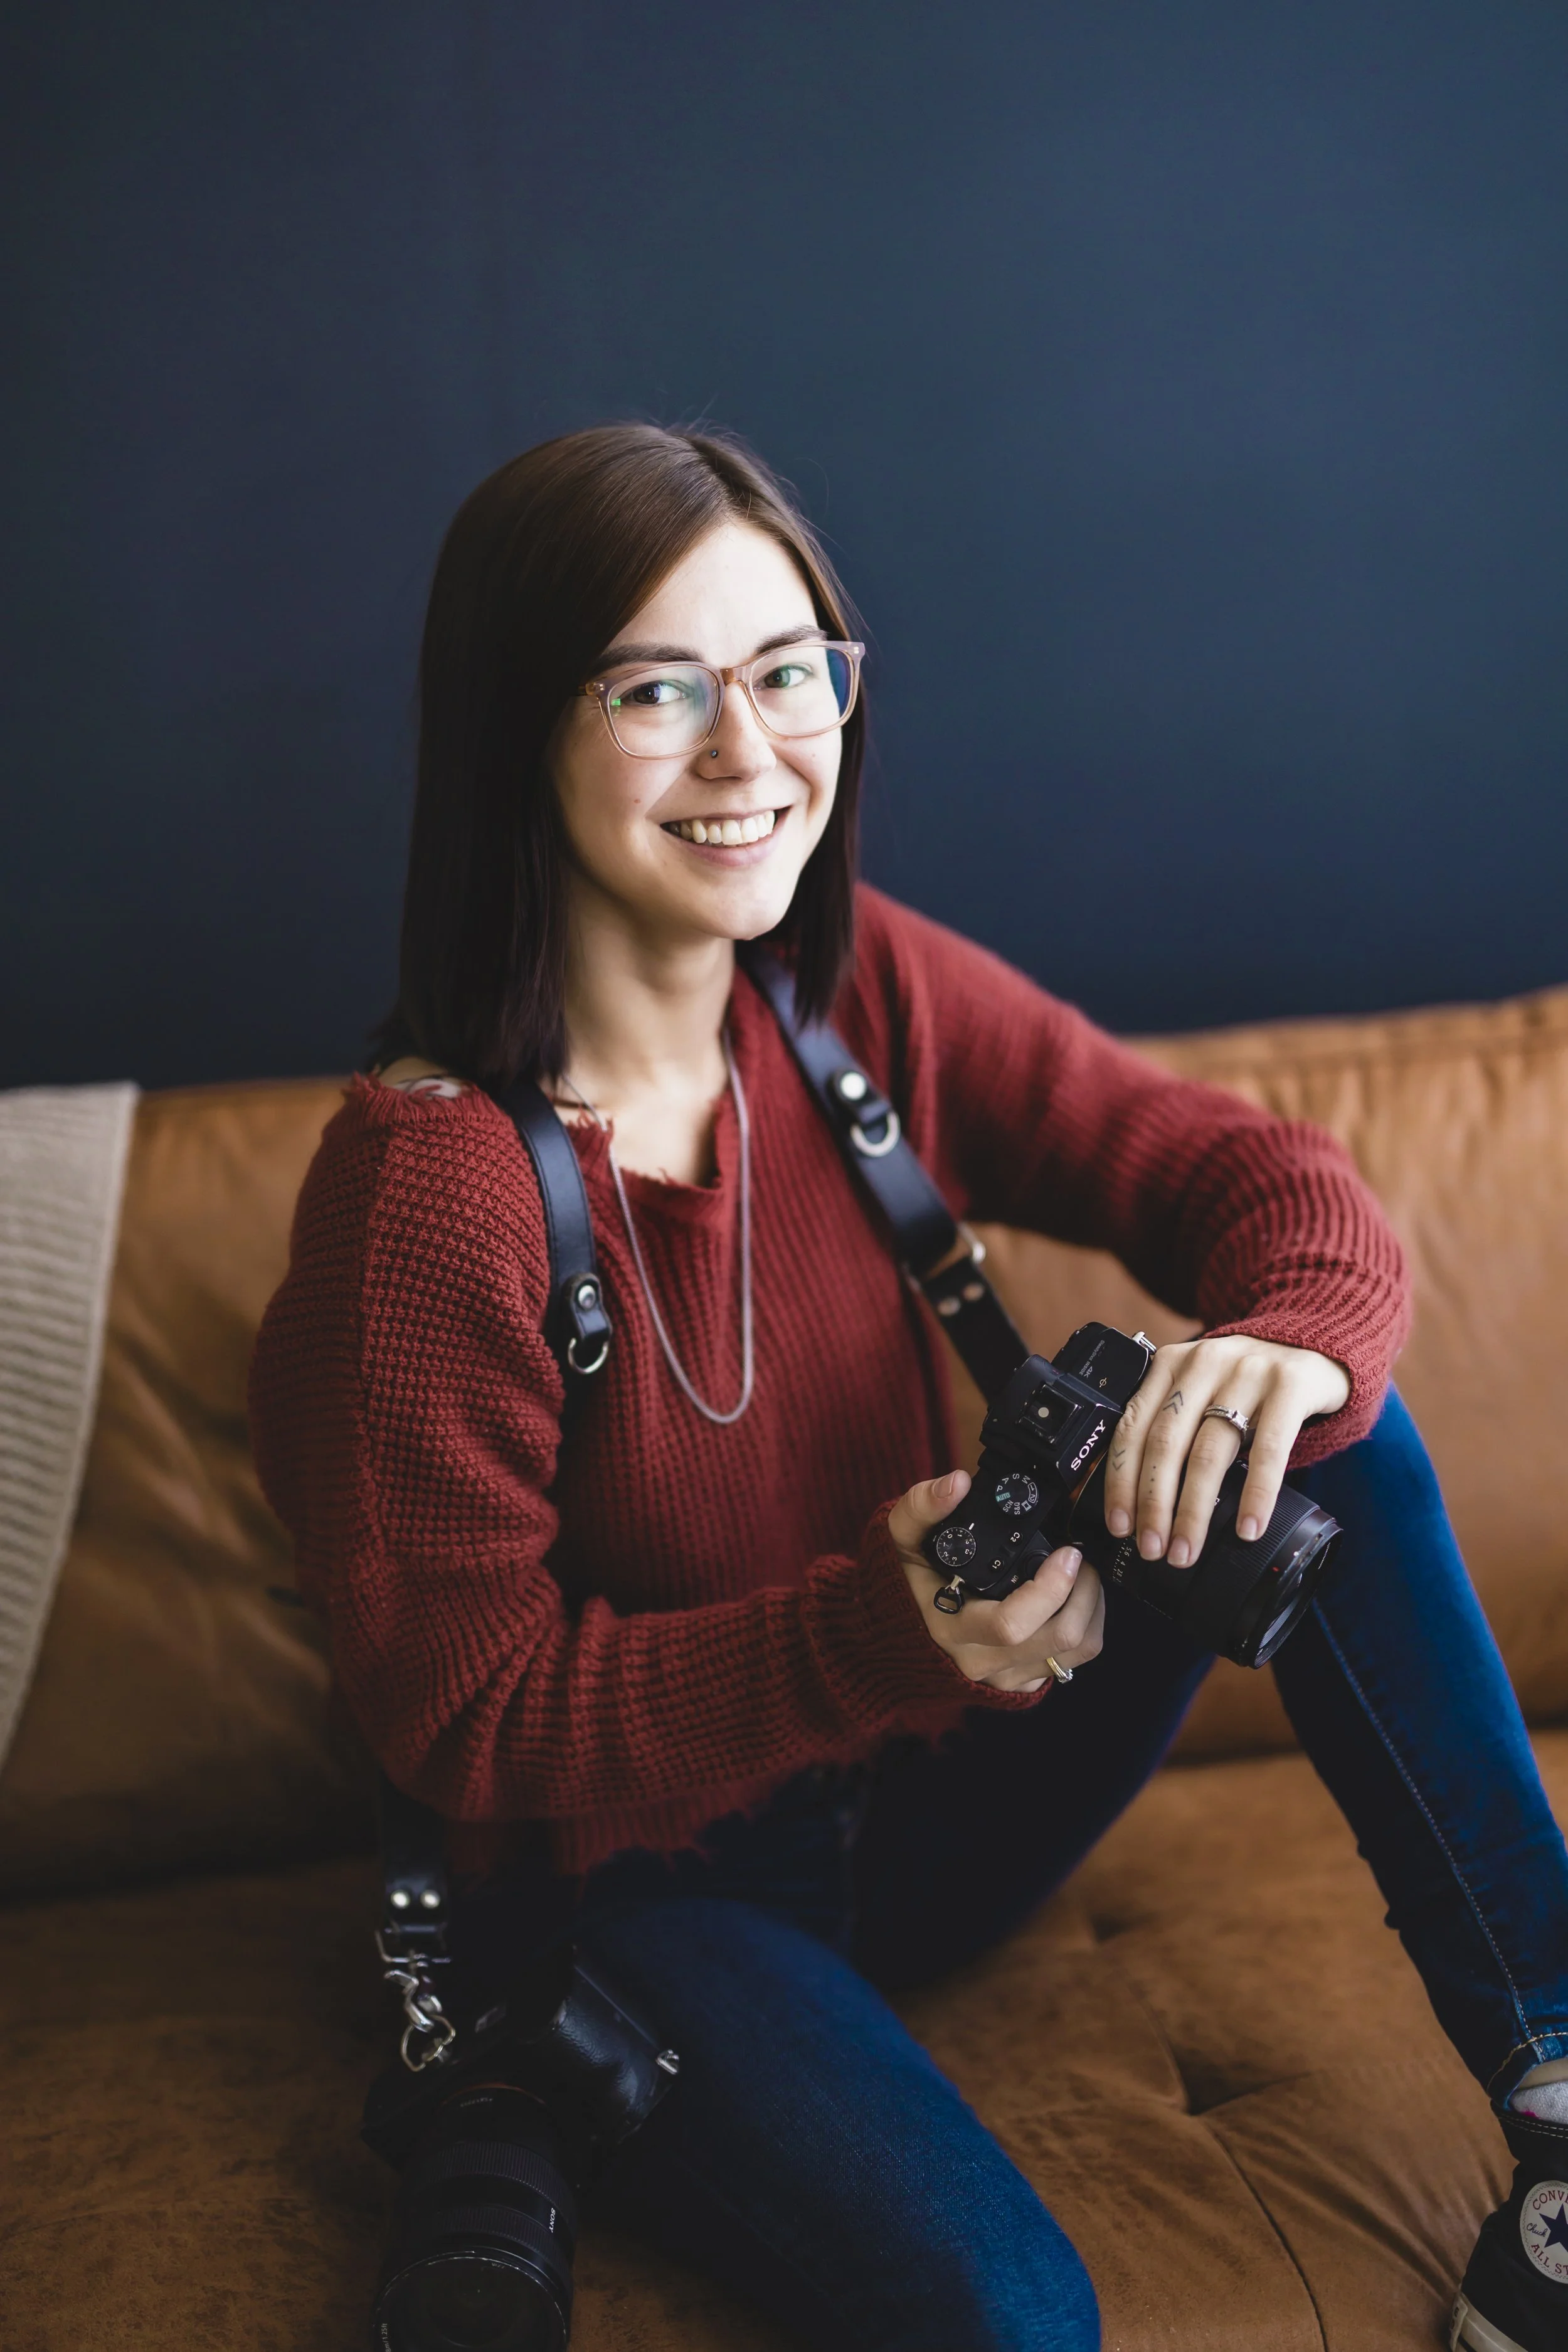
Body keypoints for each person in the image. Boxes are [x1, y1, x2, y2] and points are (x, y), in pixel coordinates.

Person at [250, 424, 1568, 2352]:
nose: (747, 749)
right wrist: (881, 1630)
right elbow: (466, 1719)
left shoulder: (847, 991)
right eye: (654, 687)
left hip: (948, 1794)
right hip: (659, 1897)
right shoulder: (423, 1197)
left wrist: (1282, 1337)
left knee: (1329, 1430)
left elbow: (1235, 1168)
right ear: (517, 725)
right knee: (1008, 2313)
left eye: (790, 672)